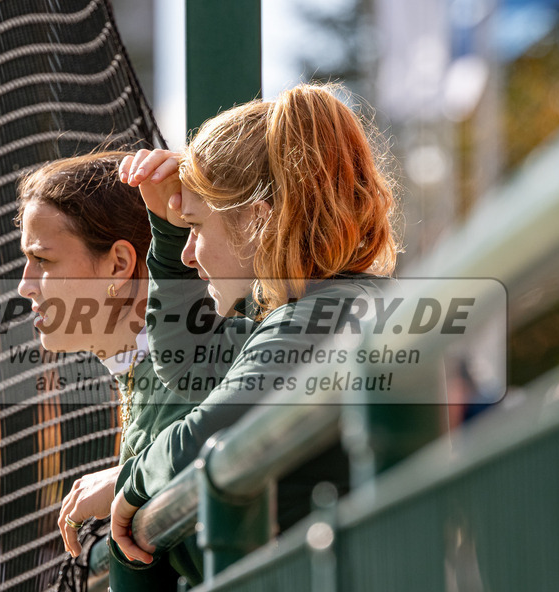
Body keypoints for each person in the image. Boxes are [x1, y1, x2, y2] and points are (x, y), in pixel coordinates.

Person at [110, 84, 400, 563]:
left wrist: (131, 480)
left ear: (254, 222)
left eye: (196, 228)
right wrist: (165, 225)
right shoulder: (324, 307)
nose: (188, 253)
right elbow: (192, 362)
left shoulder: (323, 315)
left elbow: (211, 428)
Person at [15, 151, 196, 563]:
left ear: (118, 264)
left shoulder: (192, 366)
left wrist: (128, 479)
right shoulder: (136, 371)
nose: (25, 285)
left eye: (42, 260)